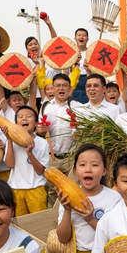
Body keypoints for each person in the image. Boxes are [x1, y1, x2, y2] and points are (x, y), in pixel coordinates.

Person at [55, 143, 123, 253]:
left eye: (95, 165)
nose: (88, 169)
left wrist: (91, 219)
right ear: (75, 170)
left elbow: (115, 236)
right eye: (82, 165)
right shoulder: (66, 198)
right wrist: (67, 210)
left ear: (104, 171)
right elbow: (63, 238)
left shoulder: (114, 198)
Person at [39, 73, 78, 207]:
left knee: (72, 190)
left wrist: (79, 133)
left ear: (69, 87)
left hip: (71, 157)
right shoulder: (46, 107)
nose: (61, 88)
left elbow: (84, 130)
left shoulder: (76, 106)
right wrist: (41, 130)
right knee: (52, 191)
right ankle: (52, 219)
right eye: (58, 85)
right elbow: (39, 129)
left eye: (64, 85)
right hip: (52, 157)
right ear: (53, 88)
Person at [5, 106, 50, 216]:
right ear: (16, 124)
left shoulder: (42, 143)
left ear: (35, 124)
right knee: (20, 224)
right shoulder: (11, 142)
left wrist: (30, 153)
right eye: (20, 117)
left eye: (28, 116)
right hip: (16, 189)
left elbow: (40, 171)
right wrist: (9, 140)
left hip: (36, 189)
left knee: (39, 222)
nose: (24, 119)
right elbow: (10, 164)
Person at [72, 27, 90, 103]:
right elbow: (65, 72)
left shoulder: (91, 52)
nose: (81, 37)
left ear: (87, 39)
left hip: (88, 82)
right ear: (75, 38)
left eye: (84, 35)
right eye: (79, 35)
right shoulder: (70, 53)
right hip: (73, 85)